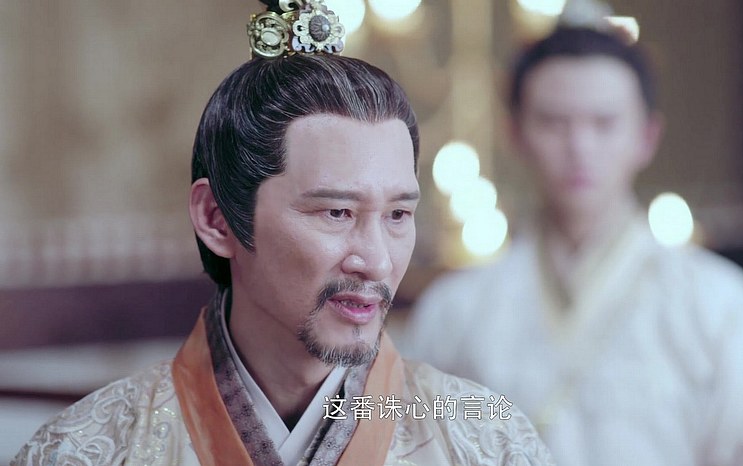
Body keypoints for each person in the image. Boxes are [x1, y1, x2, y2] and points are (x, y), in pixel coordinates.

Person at [12, 2, 554, 465]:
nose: (376, 261)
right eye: (336, 213)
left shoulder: (488, 442)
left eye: (397, 216)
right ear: (216, 218)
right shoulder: (86, 450)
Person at [403, 24, 743, 465]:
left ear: (647, 136)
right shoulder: (455, 311)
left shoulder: (723, 307)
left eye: (604, 123)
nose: (579, 147)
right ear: (516, 134)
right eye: (553, 123)